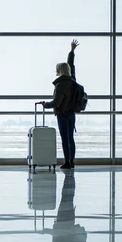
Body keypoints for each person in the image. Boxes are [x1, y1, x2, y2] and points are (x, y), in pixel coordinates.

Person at [42, 40, 79, 169]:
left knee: (65, 139)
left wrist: (45, 104)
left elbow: (57, 102)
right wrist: (72, 51)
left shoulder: (60, 84)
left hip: (62, 114)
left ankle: (67, 162)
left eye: (56, 69)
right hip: (71, 113)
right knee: (71, 139)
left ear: (59, 71)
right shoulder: (72, 80)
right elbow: (71, 65)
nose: (55, 71)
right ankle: (72, 161)